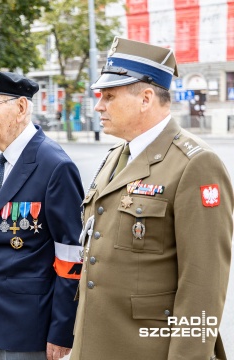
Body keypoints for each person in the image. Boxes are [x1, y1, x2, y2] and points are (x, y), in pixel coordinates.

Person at [71, 38, 234, 360]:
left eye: (109, 96)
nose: (98, 106)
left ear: (146, 98)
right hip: (95, 344)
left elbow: (203, 284)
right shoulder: (117, 155)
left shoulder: (195, 164)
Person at [0, 71, 83, 360]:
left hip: (26, 328)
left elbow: (71, 256)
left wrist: (62, 331)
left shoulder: (55, 165)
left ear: (20, 108)